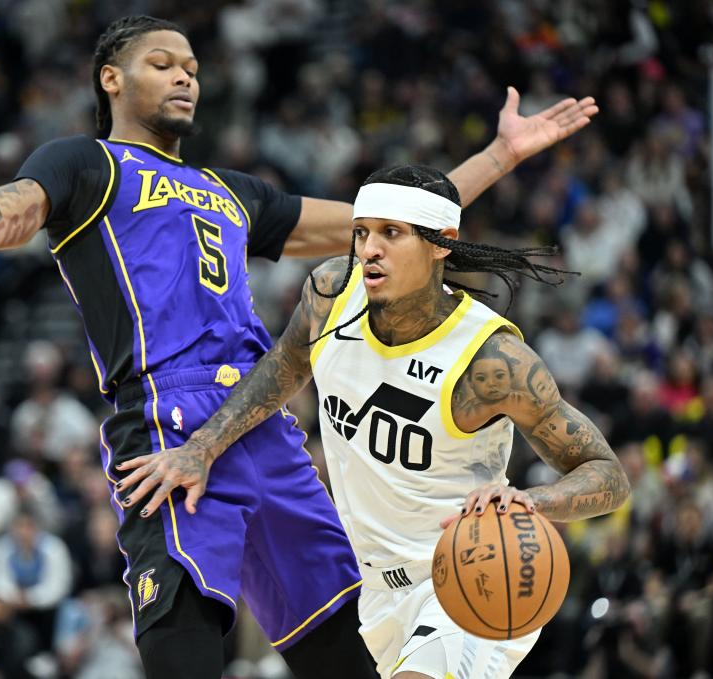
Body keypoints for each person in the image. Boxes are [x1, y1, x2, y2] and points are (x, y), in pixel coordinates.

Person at [0, 14, 598, 678]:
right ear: (111, 78)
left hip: (260, 419)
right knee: (186, 650)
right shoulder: (85, 165)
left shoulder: (232, 189)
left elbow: (396, 225)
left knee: (346, 653)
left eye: (194, 69)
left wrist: (502, 155)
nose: (186, 76)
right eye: (164, 63)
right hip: (168, 420)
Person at [118, 166, 630, 679]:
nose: (368, 248)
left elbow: (609, 474)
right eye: (361, 231)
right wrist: (201, 448)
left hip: (470, 575)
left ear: (441, 243)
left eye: (392, 233)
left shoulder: (493, 362)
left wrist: (533, 502)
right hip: (376, 594)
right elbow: (280, 369)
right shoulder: (331, 293)